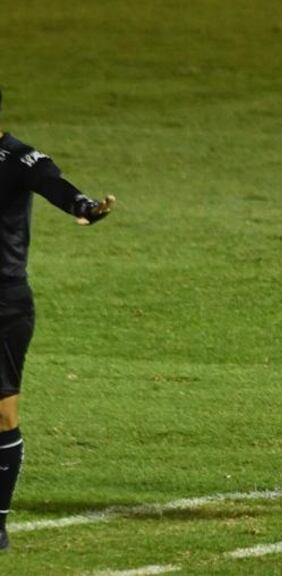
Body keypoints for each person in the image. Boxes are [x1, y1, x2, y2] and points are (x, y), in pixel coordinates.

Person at [0, 87, 115, 551]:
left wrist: (84, 206)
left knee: (2, 413)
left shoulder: (19, 158)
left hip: (4, 302)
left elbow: (55, 184)